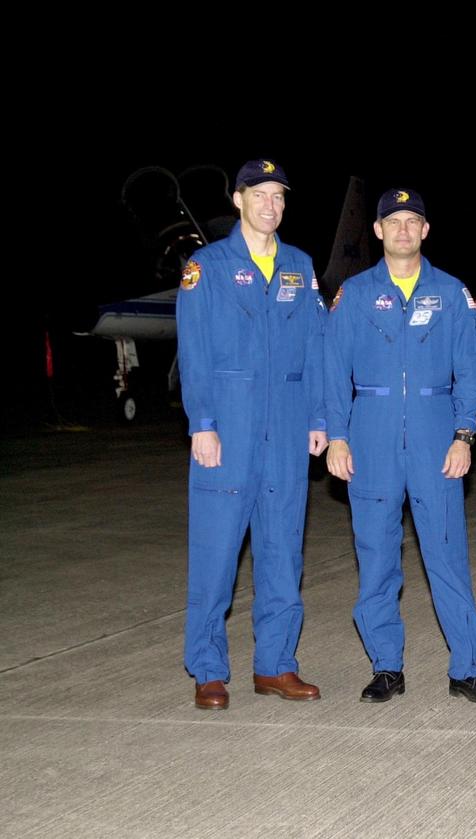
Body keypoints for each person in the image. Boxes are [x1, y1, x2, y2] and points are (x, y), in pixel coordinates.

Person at [324, 188, 476, 704]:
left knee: (446, 557)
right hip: (371, 437)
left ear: (426, 231)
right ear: (377, 231)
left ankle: (466, 667)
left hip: (434, 437)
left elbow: (470, 371)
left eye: (412, 221)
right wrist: (337, 435)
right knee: (377, 556)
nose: (403, 229)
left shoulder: (449, 294)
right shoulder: (354, 295)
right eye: (393, 221)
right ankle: (386, 667)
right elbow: (334, 370)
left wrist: (464, 434)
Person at [178, 159, 327, 710]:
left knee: (282, 551)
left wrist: (319, 419)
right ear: (238, 200)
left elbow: (317, 346)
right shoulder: (207, 266)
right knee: (216, 554)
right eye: (260, 194)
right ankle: (209, 669)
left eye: (279, 196)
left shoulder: (300, 265)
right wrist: (203, 424)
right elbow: (193, 352)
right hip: (228, 429)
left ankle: (277, 665)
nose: (271, 205)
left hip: (287, 429)